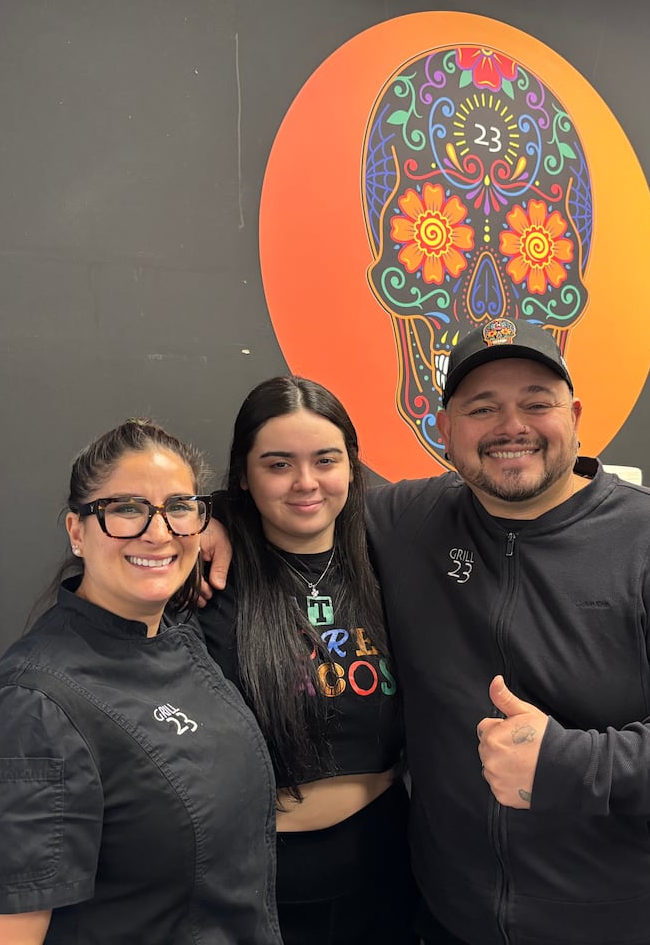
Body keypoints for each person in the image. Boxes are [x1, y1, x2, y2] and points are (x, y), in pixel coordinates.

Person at [204, 320, 650, 945]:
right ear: (445, 428)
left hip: (644, 925)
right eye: (483, 408)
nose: (512, 426)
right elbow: (301, 498)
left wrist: (569, 767)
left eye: (536, 402)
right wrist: (210, 520)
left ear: (575, 414)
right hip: (456, 921)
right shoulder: (409, 519)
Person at [0, 419, 281, 945]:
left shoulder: (176, 636)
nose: (158, 531)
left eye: (177, 508)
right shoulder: (29, 712)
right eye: (125, 509)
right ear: (77, 531)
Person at [199, 376, 415, 944]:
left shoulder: (392, 562)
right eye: (277, 465)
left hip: (388, 869)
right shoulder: (209, 577)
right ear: (243, 476)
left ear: (351, 467)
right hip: (259, 883)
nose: (305, 483)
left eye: (326, 460)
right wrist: (202, 515)